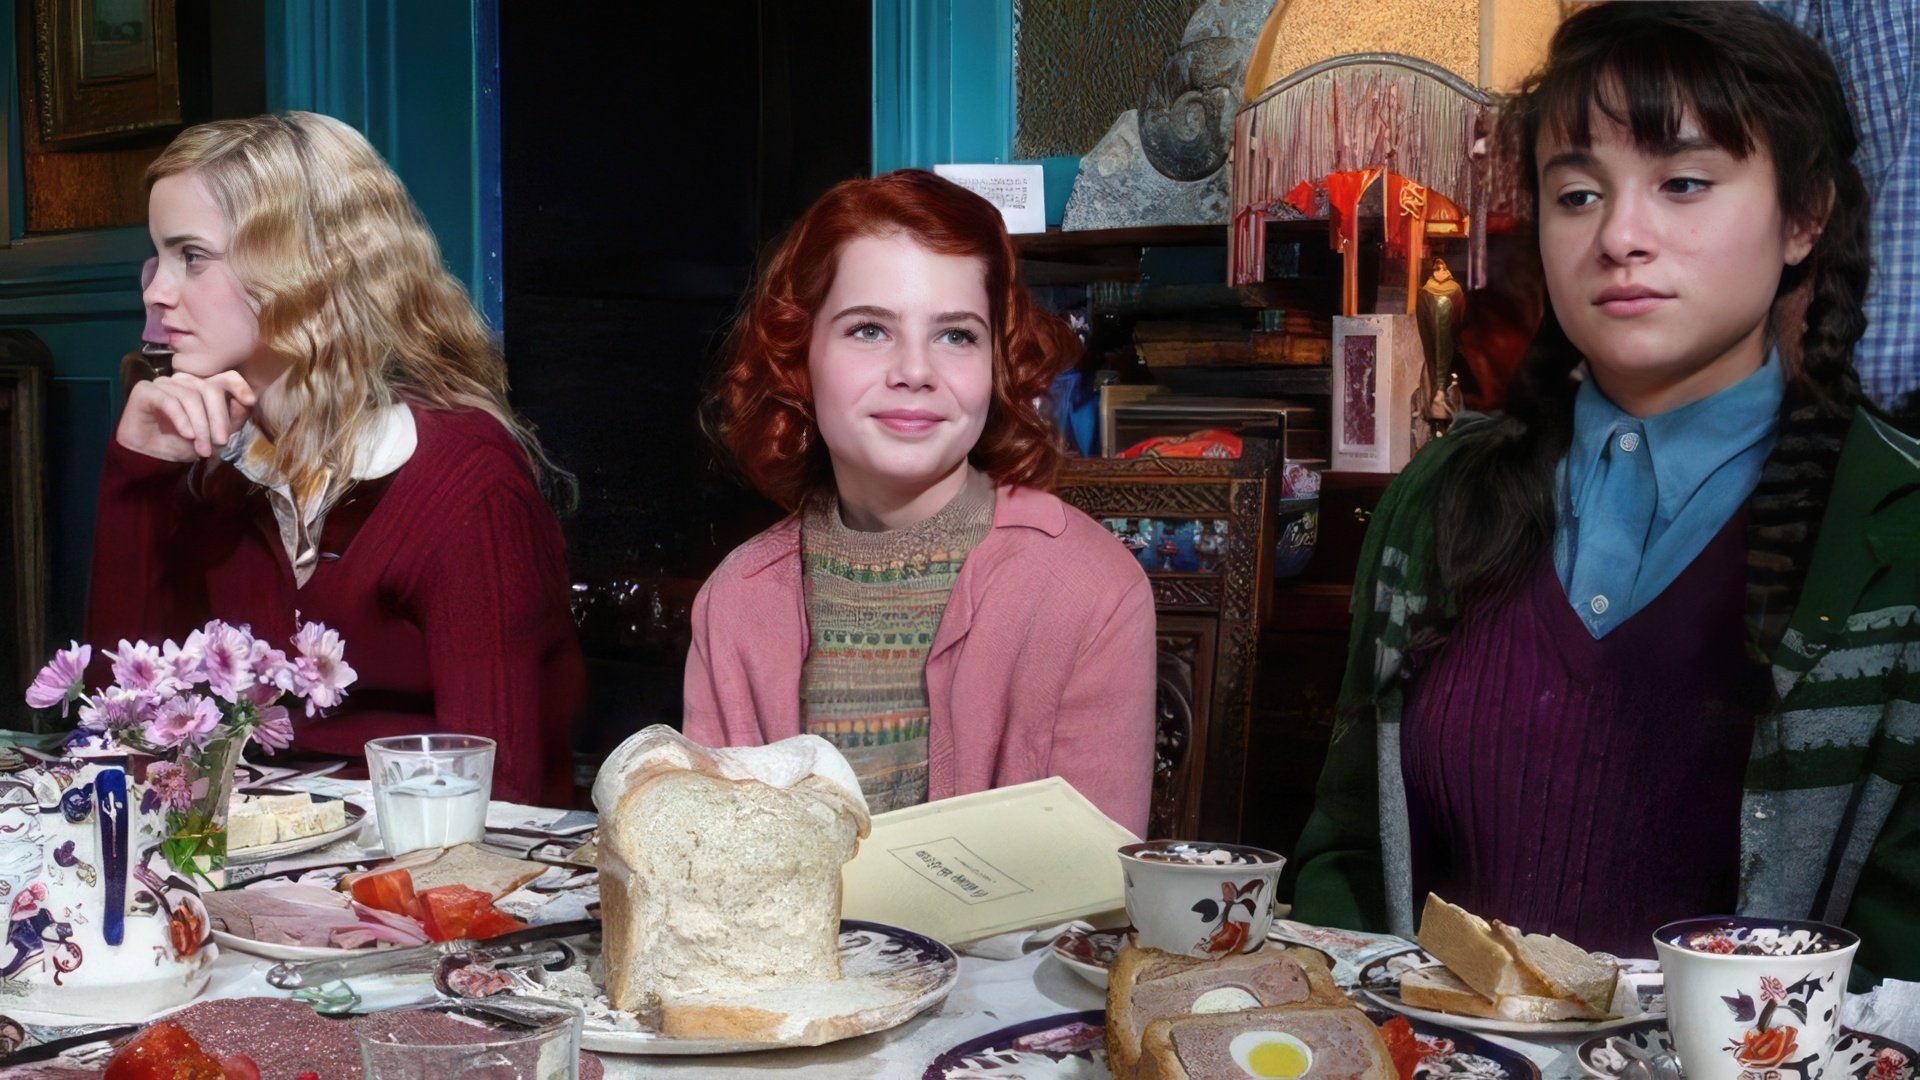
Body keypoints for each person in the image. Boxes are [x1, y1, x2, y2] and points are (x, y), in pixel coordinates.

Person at [1290, 2, 1919, 983]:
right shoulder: (1437, 503)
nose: (1621, 235)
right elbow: (1349, 856)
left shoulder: (1898, 534)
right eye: (1577, 194)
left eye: (1683, 184)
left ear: (1804, 216)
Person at [86, 112, 584, 806]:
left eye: (192, 257)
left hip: (430, 881)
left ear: (304, 267)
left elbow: (498, 801)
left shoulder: (463, 480)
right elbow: (123, 736)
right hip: (249, 870)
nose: (156, 292)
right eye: (158, 258)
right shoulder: (214, 467)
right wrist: (135, 471)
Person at [683, 170, 1156, 834]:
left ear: (998, 361)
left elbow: (1093, 899)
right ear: (799, 355)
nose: (915, 370)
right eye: (869, 330)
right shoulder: (736, 598)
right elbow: (718, 872)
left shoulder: (1092, 590)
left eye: (955, 335)